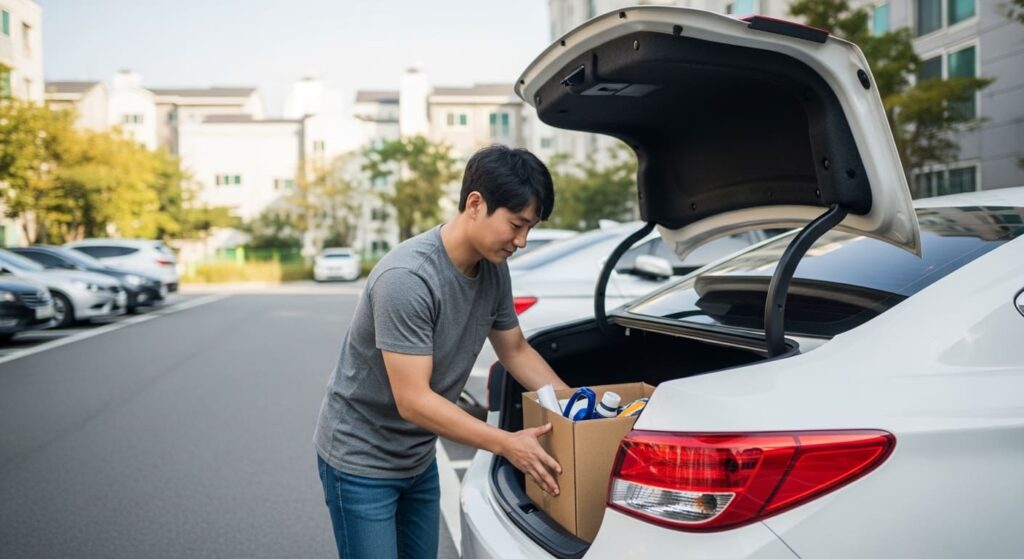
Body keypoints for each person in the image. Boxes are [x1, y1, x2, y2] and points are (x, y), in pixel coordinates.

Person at [313, 144, 569, 559]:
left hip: (416, 457)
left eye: (530, 229)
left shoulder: (493, 268)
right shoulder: (408, 278)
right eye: (516, 224)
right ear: (475, 204)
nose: (521, 241)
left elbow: (515, 350)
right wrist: (507, 443)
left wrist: (574, 405)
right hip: (360, 461)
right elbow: (413, 400)